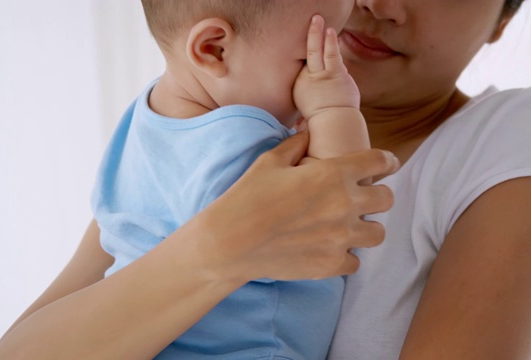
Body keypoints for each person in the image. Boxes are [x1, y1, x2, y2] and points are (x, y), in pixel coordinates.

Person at [0, 0, 531, 359]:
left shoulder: (509, 135)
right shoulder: (209, 125)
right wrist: (219, 248)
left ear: (502, 20)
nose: (377, 3)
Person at [90, 0, 368, 358]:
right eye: (306, 61)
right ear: (213, 49)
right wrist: (335, 109)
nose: (325, 73)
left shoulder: (142, 119)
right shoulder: (237, 139)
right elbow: (341, 209)